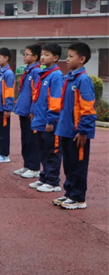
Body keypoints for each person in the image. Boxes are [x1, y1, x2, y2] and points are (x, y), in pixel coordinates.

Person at [53, 43, 97, 210]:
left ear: (82, 59)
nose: (67, 59)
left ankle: (78, 197)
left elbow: (88, 109)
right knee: (69, 164)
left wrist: (83, 131)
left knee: (78, 165)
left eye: (71, 56)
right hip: (66, 129)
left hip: (77, 132)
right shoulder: (69, 78)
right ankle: (69, 193)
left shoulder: (83, 80)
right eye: (68, 56)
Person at [28, 44, 63, 187]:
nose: (42, 57)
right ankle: (44, 177)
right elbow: (37, 96)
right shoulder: (44, 74)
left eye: (46, 54)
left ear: (55, 58)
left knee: (52, 151)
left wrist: (51, 119)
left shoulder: (56, 75)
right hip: (40, 119)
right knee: (42, 150)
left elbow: (55, 99)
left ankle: (53, 181)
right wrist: (33, 111)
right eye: (42, 54)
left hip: (49, 121)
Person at [12, 45, 41, 177]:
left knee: (32, 140)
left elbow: (36, 93)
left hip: (30, 112)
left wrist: (33, 109)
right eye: (24, 54)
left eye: (27, 54)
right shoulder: (27, 71)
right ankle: (27, 165)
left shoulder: (36, 72)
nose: (24, 56)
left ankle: (34, 167)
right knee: (25, 139)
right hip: (23, 110)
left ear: (35, 57)